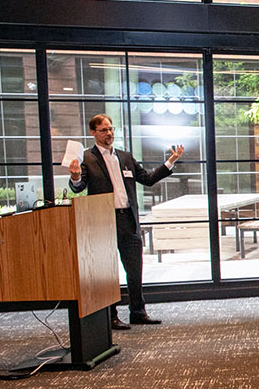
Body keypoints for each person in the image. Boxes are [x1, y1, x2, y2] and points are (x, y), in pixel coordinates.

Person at [67, 113, 184, 328]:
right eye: (103, 130)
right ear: (93, 133)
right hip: (104, 222)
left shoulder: (125, 156)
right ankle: (111, 316)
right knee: (108, 272)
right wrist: (74, 176)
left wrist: (171, 161)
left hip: (128, 220)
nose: (109, 133)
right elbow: (79, 186)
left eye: (110, 129)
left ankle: (138, 312)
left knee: (134, 268)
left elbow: (147, 179)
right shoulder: (87, 158)